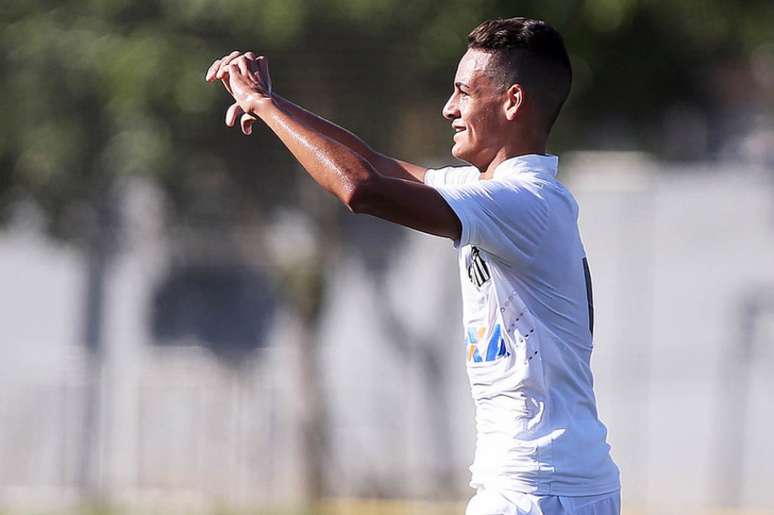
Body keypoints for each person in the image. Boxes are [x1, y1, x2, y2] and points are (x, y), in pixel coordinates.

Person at [205, 16, 620, 515]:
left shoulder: (522, 202)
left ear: (512, 102)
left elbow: (362, 189)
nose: (449, 109)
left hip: (537, 488)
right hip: (551, 484)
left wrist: (264, 106)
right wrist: (273, 102)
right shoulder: (501, 194)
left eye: (464, 92)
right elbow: (375, 164)